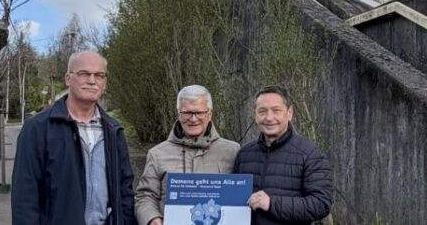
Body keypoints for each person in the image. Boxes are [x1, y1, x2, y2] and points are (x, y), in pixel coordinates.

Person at [11, 50, 135, 225]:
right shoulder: (38, 128)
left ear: (105, 83)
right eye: (84, 73)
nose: (92, 81)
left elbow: (125, 191)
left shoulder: (113, 130)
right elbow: (24, 197)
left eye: (99, 75)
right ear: (68, 79)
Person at [135, 85, 240, 225]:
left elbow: (242, 196)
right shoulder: (157, 154)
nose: (193, 119)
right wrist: (152, 218)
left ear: (209, 114)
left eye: (199, 112)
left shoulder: (232, 151)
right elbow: (145, 196)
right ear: (179, 114)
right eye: (187, 113)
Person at [234, 85, 333, 225]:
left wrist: (272, 203)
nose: (269, 118)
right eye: (262, 111)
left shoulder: (310, 155)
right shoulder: (244, 154)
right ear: (255, 115)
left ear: (289, 112)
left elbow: (321, 204)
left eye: (276, 110)